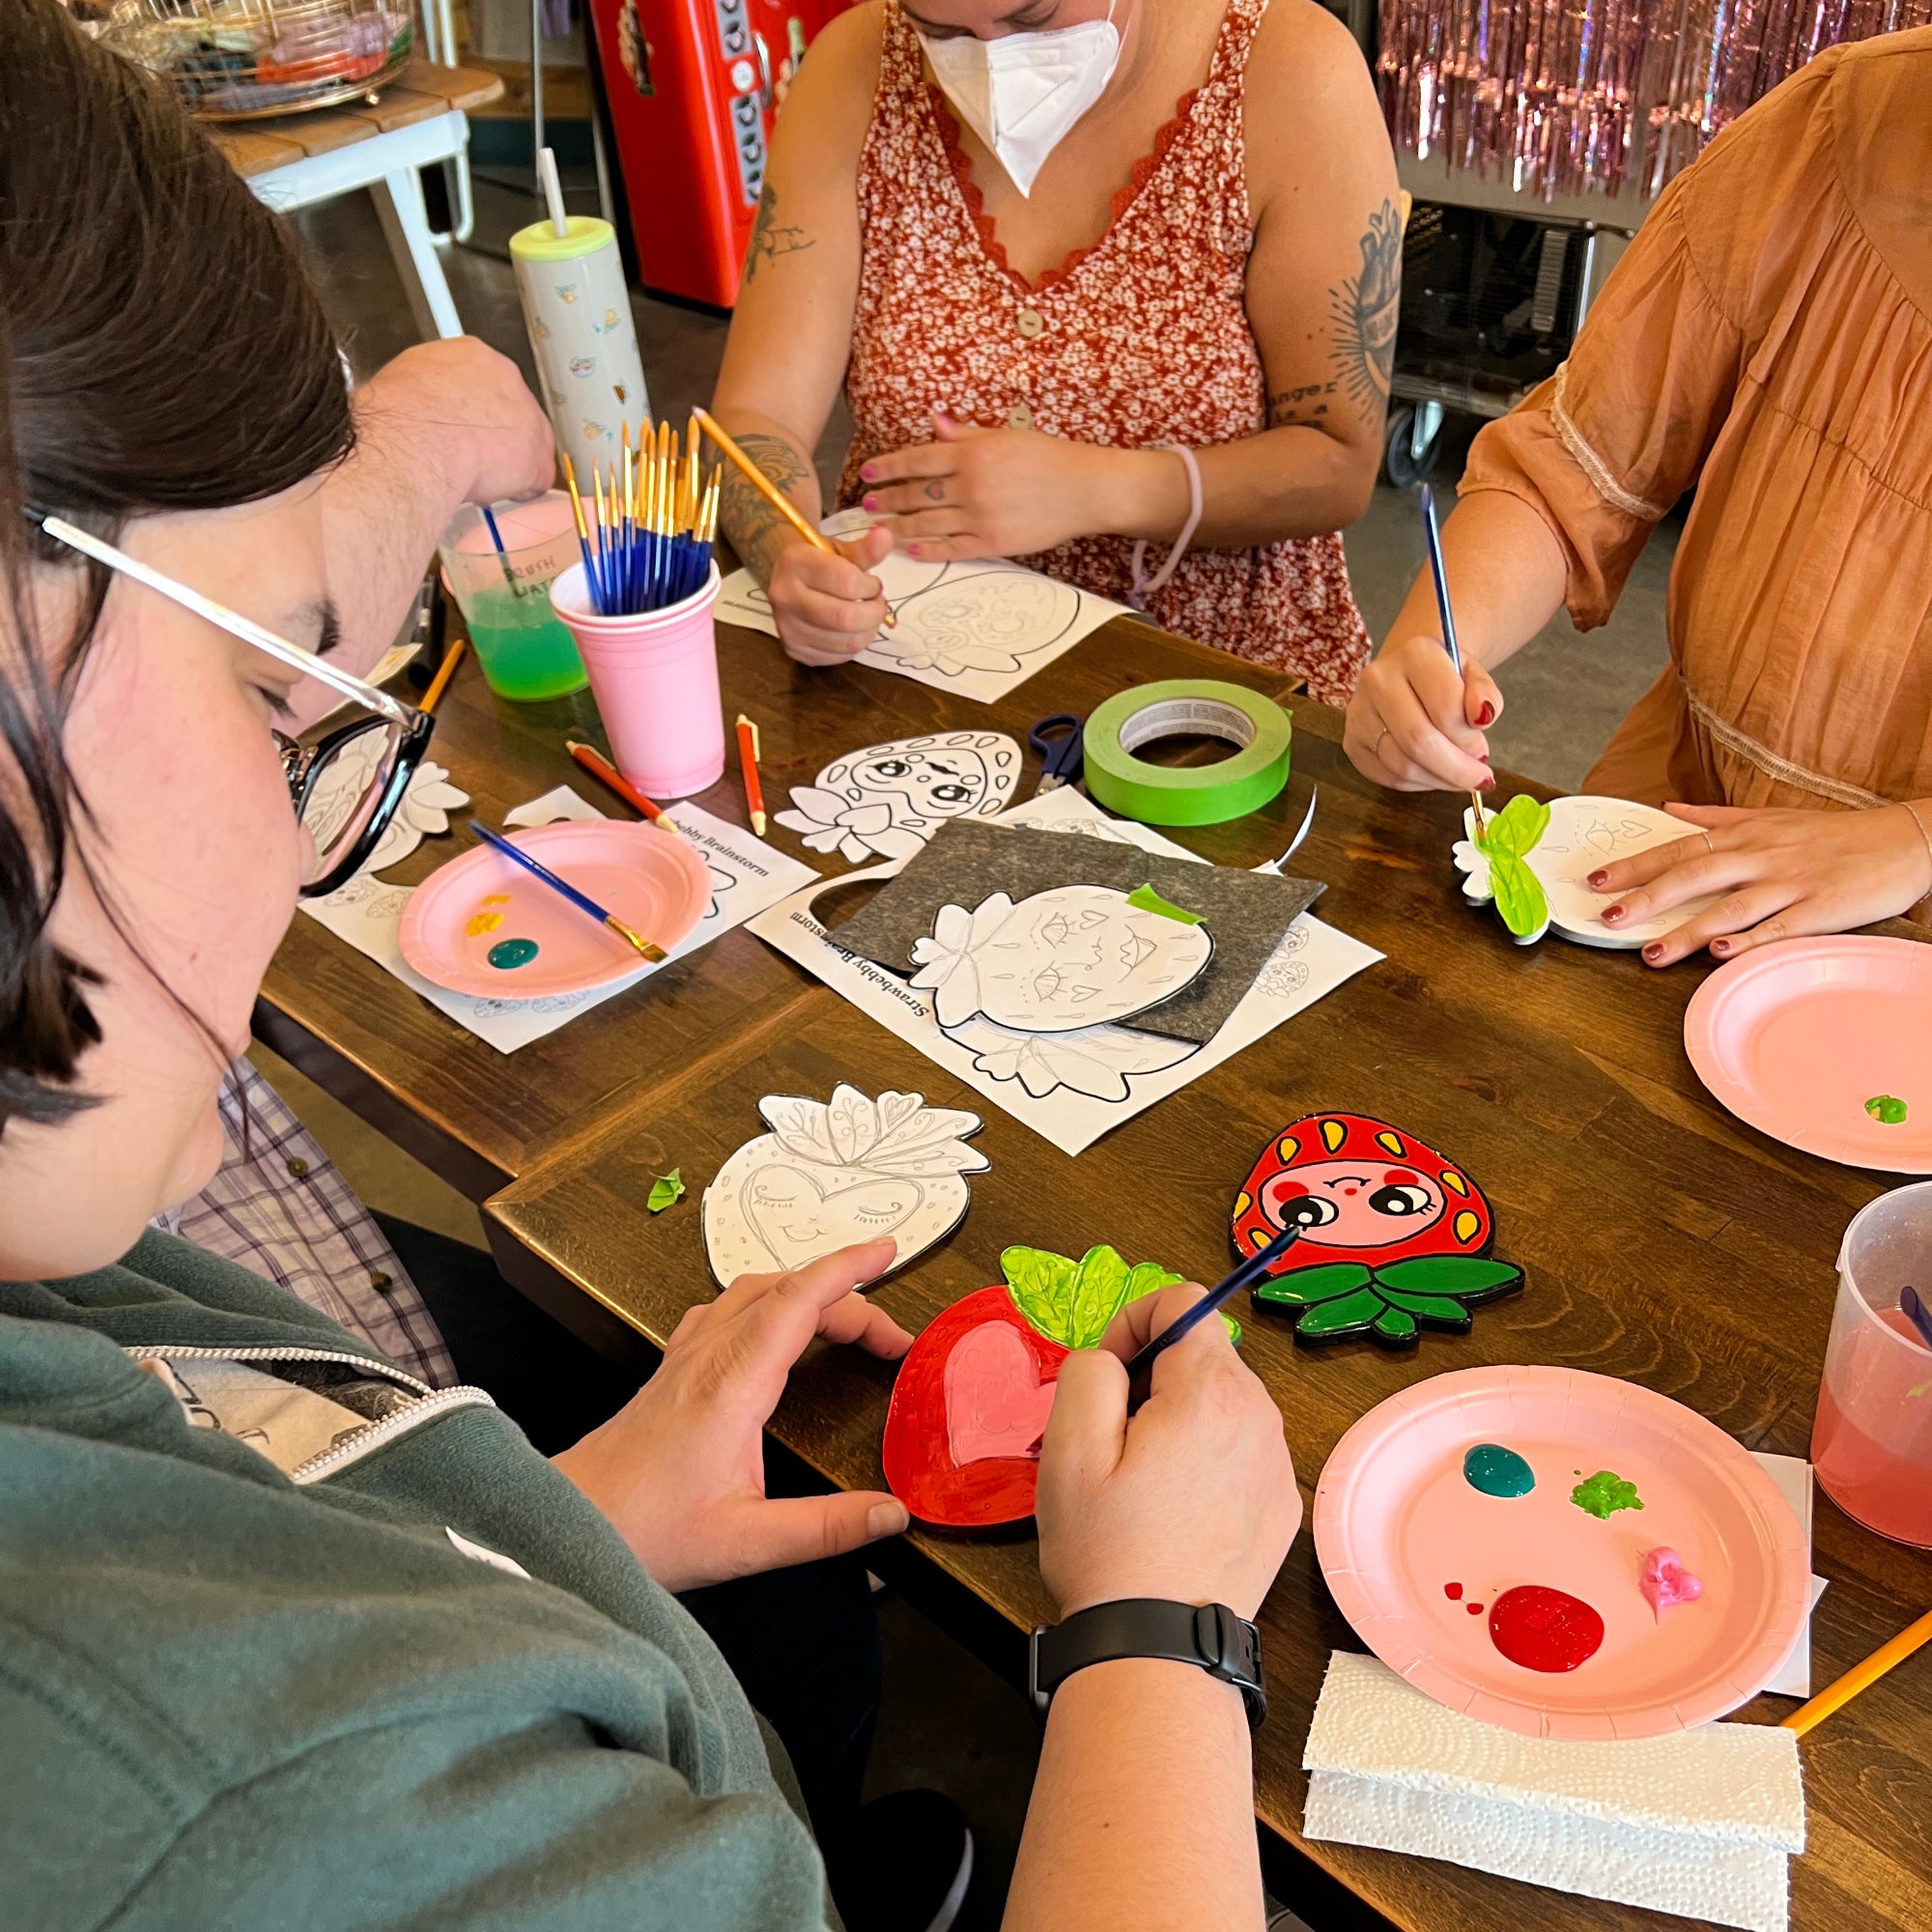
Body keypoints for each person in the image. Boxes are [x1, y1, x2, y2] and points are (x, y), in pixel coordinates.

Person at [0, 9, 1303, 1930]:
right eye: (276, 702)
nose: (288, 844)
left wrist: (558, 1527)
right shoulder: (277, 1808)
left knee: (808, 1629)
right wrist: (1158, 1633)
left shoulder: (84, 1313)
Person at [1343, 28, 1932, 967]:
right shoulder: (1823, 133)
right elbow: (1571, 469)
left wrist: (1913, 840)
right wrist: (1433, 658)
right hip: (1671, 836)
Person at [707, 0, 1398, 700]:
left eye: (1033, 17)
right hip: (913, 664)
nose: (990, 59)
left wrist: (1100, 489)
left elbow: (1337, 463)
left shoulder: (1289, 73)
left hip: (1217, 686)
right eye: (940, 32)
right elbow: (757, 419)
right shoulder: (856, 70)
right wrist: (788, 550)